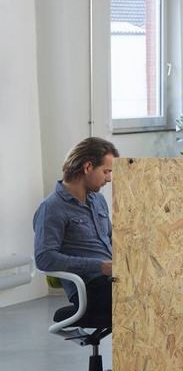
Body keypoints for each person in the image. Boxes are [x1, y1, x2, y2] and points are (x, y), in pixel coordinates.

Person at [33, 138, 120, 327]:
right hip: (90, 288)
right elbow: (44, 258)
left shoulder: (98, 200)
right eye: (106, 171)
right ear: (88, 167)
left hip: (114, 280)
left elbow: (111, 238)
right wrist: (100, 266)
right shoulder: (52, 208)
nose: (109, 178)